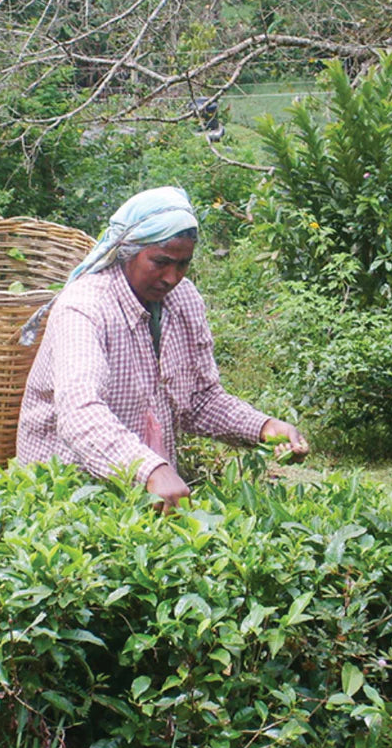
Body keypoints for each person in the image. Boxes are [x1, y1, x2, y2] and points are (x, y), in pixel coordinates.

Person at [16, 186, 308, 510]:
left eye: (183, 265)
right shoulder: (85, 308)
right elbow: (80, 411)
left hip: (149, 495)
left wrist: (264, 427)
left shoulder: (182, 300)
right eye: (160, 262)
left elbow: (198, 399)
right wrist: (150, 468)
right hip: (67, 493)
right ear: (128, 250)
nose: (172, 277)